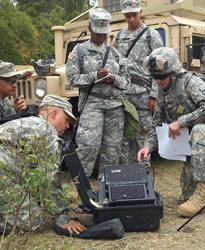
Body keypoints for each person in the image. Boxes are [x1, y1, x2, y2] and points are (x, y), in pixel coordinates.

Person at [137, 47, 205, 217]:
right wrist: (147, 147)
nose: (158, 81)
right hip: (192, 141)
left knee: (199, 130)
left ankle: (202, 194)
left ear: (173, 72)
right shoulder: (161, 92)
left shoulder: (190, 82)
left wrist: (181, 122)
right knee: (187, 194)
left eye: (162, 76)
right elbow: (156, 124)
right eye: (155, 77)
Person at [0, 94, 86, 234]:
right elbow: (50, 177)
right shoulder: (48, 131)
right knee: (32, 222)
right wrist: (61, 216)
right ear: (54, 114)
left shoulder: (28, 122)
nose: (68, 126)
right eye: (66, 120)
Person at [66, 8, 130, 177]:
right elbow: (72, 79)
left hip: (115, 106)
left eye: (104, 34)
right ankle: (82, 189)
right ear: (90, 28)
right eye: (97, 33)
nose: (101, 37)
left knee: (112, 150)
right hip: (92, 104)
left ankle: (107, 190)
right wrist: (95, 76)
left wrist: (113, 79)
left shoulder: (115, 54)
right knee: (88, 146)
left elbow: (127, 83)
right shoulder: (79, 51)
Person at [113, 0, 163, 163]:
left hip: (144, 93)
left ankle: (144, 172)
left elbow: (160, 66)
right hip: (124, 94)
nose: (131, 19)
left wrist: (154, 95)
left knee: (144, 134)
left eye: (134, 15)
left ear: (140, 12)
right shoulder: (119, 37)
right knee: (124, 135)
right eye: (128, 16)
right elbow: (113, 63)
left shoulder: (151, 35)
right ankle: (126, 173)